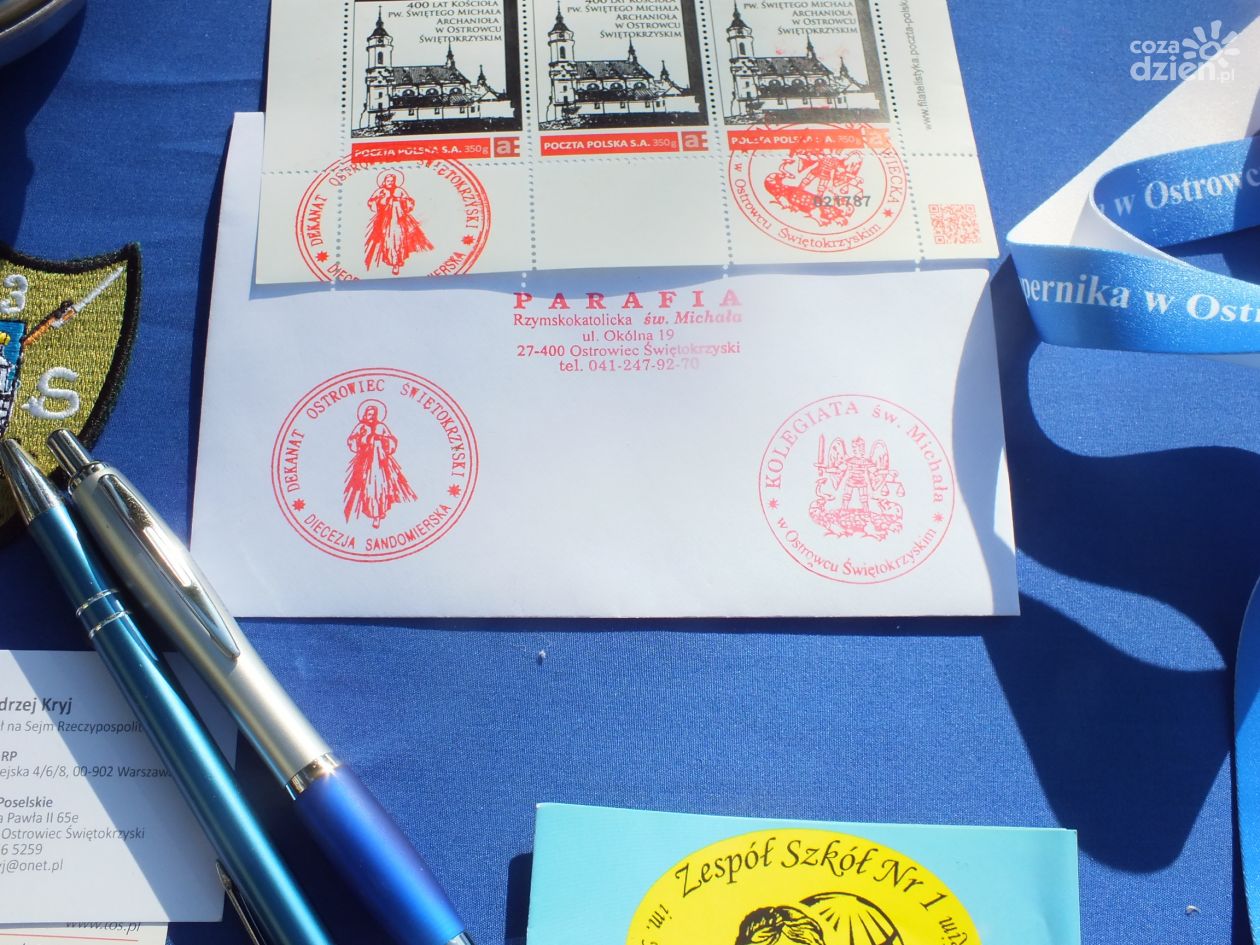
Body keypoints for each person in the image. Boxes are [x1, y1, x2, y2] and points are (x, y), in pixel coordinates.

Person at [343, 400, 417, 528]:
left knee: (380, 488)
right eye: (369, 414)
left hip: (381, 464)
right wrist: (365, 439)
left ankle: (378, 513)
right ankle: (371, 512)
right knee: (367, 488)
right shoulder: (361, 427)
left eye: (373, 414)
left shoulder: (381, 427)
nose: (371, 417)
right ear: (365, 414)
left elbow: (392, 441)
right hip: (365, 464)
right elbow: (352, 441)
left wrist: (381, 439)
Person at [364, 171, 434, 275]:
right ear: (384, 181)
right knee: (388, 241)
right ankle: (391, 260)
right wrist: (383, 200)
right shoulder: (380, 191)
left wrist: (400, 201)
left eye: (392, 181)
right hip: (385, 221)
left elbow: (409, 202)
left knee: (399, 240)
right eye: (388, 181)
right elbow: (371, 202)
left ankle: (397, 262)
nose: (390, 183)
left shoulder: (399, 190)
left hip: (399, 220)